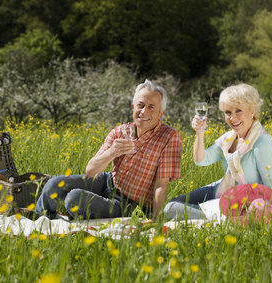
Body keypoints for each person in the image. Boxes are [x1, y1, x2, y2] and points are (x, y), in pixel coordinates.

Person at [35, 79, 183, 221]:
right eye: (140, 105)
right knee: (54, 183)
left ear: (161, 113)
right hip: (108, 182)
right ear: (133, 107)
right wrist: (112, 152)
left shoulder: (169, 137)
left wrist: (155, 220)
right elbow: (91, 171)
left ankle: (80, 221)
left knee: (74, 199)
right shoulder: (120, 131)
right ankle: (40, 221)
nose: (144, 111)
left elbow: (161, 185)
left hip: (131, 205)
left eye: (151, 107)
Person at [164, 83, 272, 219]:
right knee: (172, 203)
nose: (232, 118)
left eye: (238, 111)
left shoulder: (261, 142)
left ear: (252, 110)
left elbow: (271, 188)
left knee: (170, 209)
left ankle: (218, 219)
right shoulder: (229, 138)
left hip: (238, 201)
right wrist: (200, 133)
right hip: (220, 189)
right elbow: (201, 160)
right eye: (228, 112)